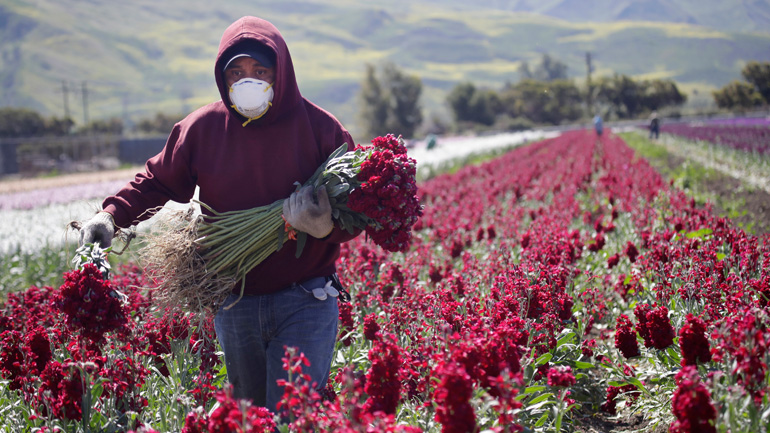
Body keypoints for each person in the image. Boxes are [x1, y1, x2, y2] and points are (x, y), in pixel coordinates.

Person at [78, 16, 360, 413]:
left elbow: (355, 212)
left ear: (282, 73)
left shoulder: (320, 128)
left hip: (307, 298)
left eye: (260, 71)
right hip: (235, 299)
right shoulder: (202, 129)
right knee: (250, 417)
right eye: (237, 72)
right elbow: (158, 181)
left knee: (293, 416)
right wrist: (110, 216)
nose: (248, 81)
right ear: (223, 78)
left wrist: (324, 227)